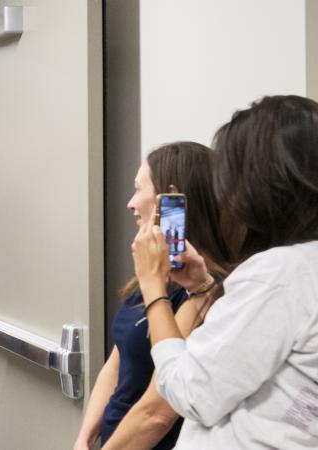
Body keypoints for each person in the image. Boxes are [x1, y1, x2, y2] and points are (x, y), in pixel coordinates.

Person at [133, 95, 318, 449]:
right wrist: (203, 286)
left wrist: (153, 287)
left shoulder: (279, 274)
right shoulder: (300, 268)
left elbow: (189, 392)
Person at [74, 142, 235, 450]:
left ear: (171, 200)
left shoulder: (206, 291)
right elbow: (116, 364)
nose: (131, 203)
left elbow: (157, 414)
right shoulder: (151, 274)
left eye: (139, 189)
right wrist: (84, 437)